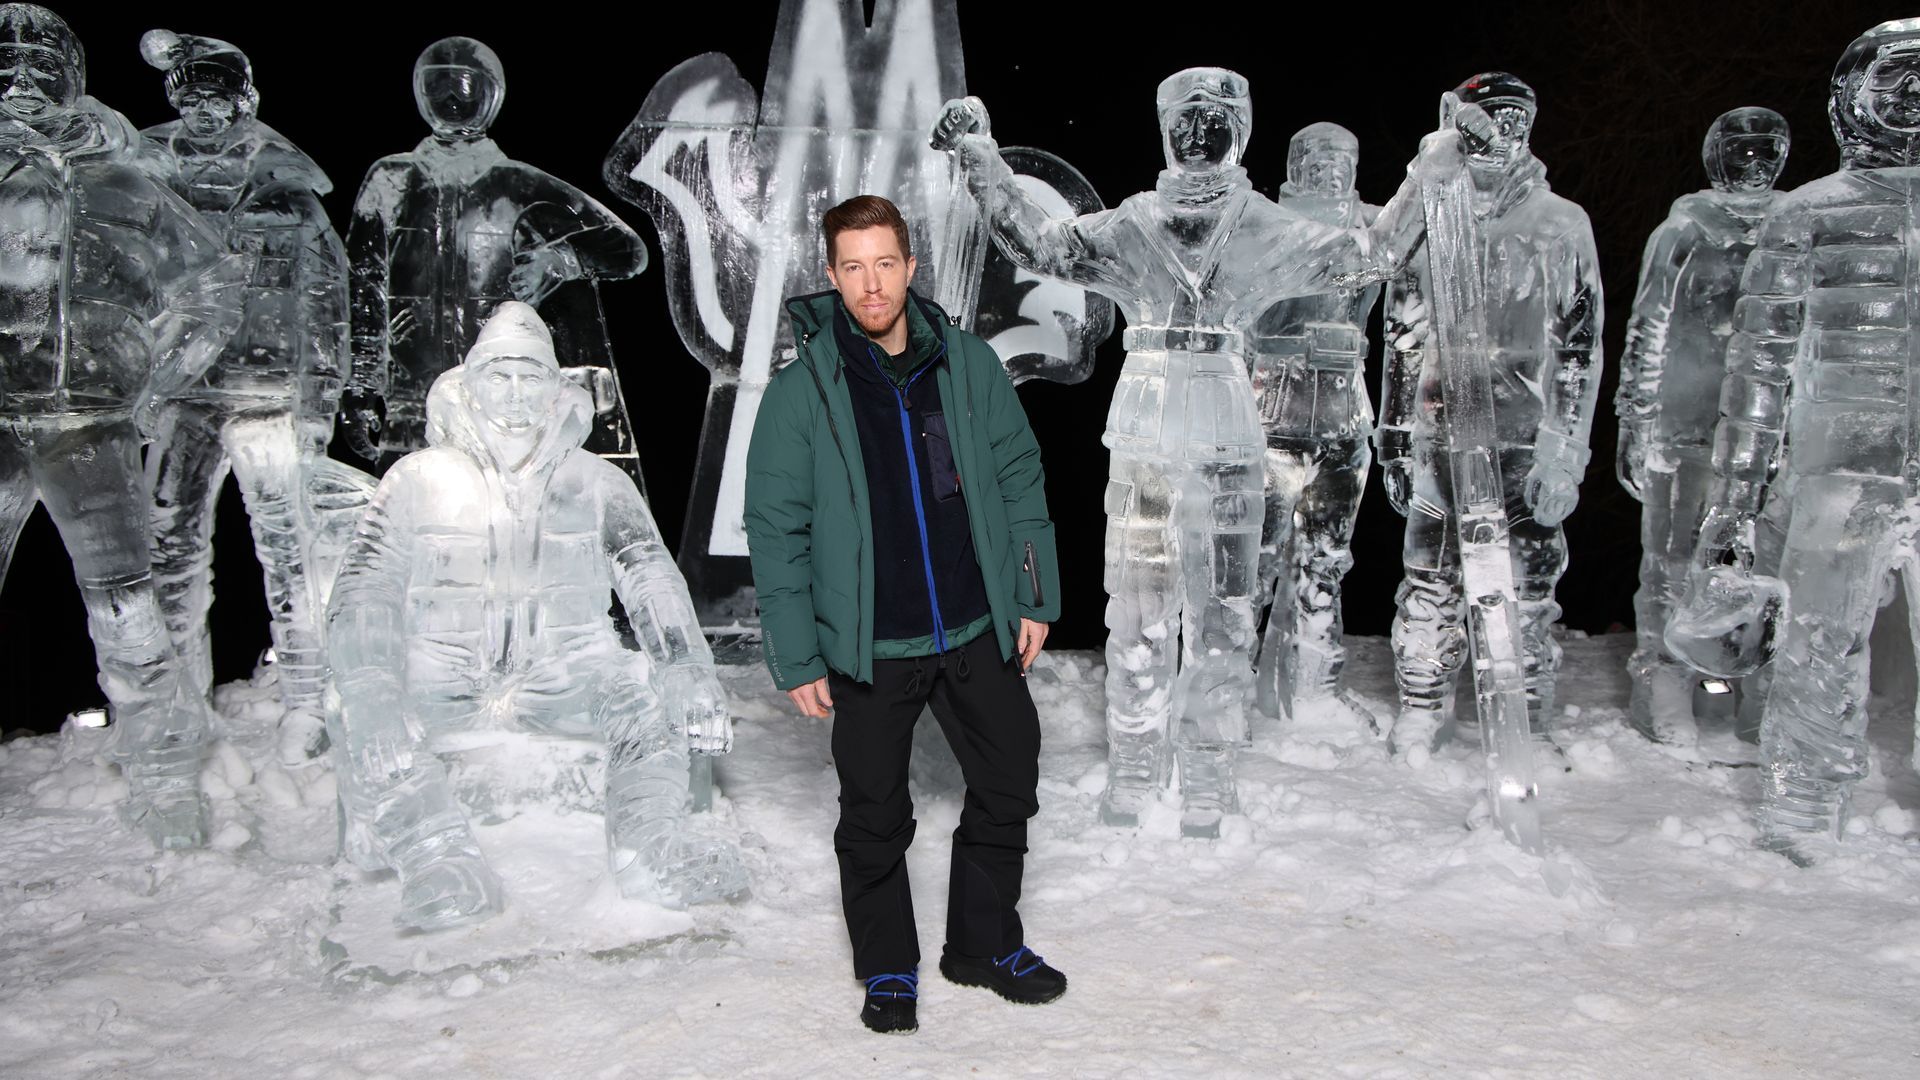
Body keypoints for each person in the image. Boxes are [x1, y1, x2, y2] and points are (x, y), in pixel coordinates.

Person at [743, 194, 1065, 1034]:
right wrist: (797, 652)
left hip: (972, 624)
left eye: (885, 262)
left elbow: (1020, 478)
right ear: (833, 274)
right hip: (871, 645)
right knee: (873, 813)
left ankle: (982, 946)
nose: (871, 283)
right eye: (853, 266)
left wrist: (1031, 593)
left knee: (1010, 778)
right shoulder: (802, 391)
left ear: (911, 266)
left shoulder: (966, 364)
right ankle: (889, 967)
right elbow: (775, 532)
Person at [326, 301, 743, 931]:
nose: (516, 394)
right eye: (500, 376)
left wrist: (685, 667)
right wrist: (371, 687)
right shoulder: (416, 479)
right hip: (444, 672)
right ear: (470, 383)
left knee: (645, 696)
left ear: (555, 390)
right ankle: (439, 861)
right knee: (351, 704)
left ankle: (651, 851)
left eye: (532, 377)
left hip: (568, 671)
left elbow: (651, 575)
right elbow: (365, 588)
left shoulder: (597, 483)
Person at [0, 3, 245, 849]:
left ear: (72, 76)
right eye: (7, 65)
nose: (24, 83)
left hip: (88, 426)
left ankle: (167, 783)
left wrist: (154, 385)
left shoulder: (120, 182)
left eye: (43, 65)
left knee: (128, 610)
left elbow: (213, 287)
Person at [136, 28, 362, 765]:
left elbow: (327, 301)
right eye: (189, 96)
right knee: (168, 548)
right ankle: (178, 702)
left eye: (217, 96)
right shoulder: (143, 181)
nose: (202, 112)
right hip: (182, 394)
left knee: (291, 550)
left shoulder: (289, 192)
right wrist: (133, 382)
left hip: (269, 398)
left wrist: (321, 401)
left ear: (245, 99)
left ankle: (305, 700)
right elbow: (125, 290)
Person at [1376, 72, 1603, 757]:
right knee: (1429, 579)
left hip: (1525, 443)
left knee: (1528, 588)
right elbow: (1401, 330)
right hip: (1442, 439)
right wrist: (1392, 437)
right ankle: (1422, 705)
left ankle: (1523, 715)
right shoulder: (1429, 220)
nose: (1499, 131)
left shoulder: (1560, 224)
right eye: (1483, 117)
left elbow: (1580, 348)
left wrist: (1565, 453)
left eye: (1514, 117)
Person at [1615, 107, 1789, 747]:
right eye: (1740, 149)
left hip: (1772, 434)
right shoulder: (1684, 230)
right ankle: (1663, 694)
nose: (1754, 162)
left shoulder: (1798, 225)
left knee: (1769, 564)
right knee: (1670, 562)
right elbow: (1648, 327)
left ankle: (1762, 701)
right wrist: (1635, 420)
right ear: (1716, 157)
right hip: (1684, 425)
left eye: (1766, 149)